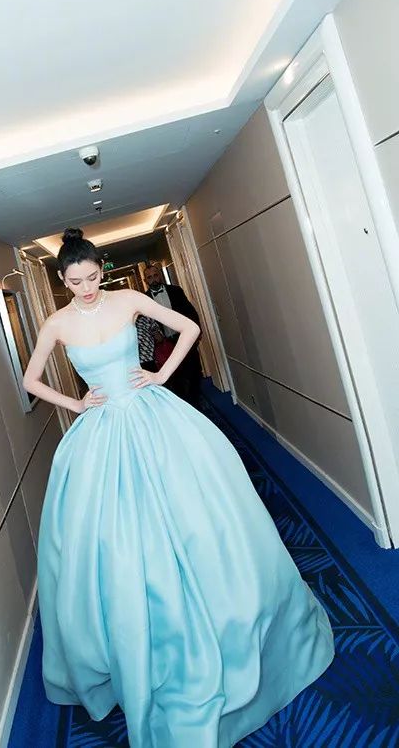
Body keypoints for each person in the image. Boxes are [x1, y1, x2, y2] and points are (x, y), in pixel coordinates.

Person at [23, 228, 334, 748]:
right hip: (101, 432)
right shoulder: (56, 323)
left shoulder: (128, 299)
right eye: (75, 282)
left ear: (101, 270)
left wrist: (161, 373)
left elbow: (188, 327)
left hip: (153, 415)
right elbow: (31, 380)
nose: (87, 289)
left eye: (93, 277)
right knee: (110, 537)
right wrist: (76, 404)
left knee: (199, 511)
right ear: (63, 280)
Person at [144, 263, 204, 403]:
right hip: (164, 344)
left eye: (155, 275)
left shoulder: (176, 291)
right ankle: (183, 402)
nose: (153, 279)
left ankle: (197, 401)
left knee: (194, 370)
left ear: (160, 275)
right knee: (175, 376)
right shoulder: (144, 299)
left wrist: (196, 334)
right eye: (150, 277)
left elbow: (190, 312)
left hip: (183, 338)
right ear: (145, 280)